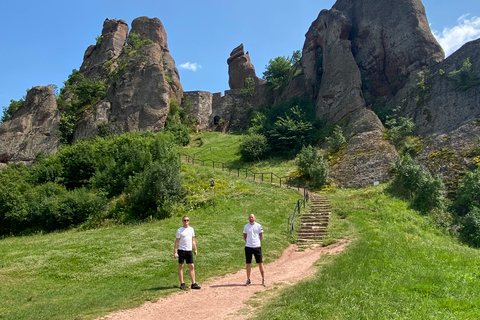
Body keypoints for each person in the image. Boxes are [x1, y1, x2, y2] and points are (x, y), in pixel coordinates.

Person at [174, 216, 201, 290]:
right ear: (182, 221)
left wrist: (195, 249)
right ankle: (182, 283)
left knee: (191, 266)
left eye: (187, 220)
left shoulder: (191, 229)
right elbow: (177, 241)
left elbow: (193, 240)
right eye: (185, 220)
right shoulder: (180, 230)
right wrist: (175, 252)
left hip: (189, 250)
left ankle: (193, 283)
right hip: (181, 250)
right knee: (181, 266)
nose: (186, 221)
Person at [243, 213, 266, 287]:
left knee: (260, 262)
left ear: (254, 218)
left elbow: (261, 235)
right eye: (250, 217)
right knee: (248, 263)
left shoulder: (258, 226)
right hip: (248, 247)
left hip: (257, 247)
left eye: (252, 217)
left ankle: (263, 279)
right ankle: (248, 279)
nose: (251, 218)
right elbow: (245, 235)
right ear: (248, 218)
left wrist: (258, 242)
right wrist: (247, 242)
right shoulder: (246, 226)